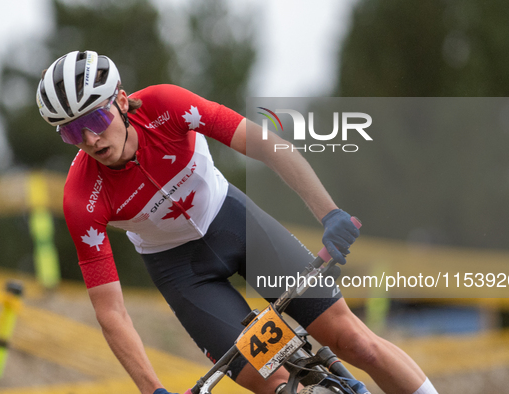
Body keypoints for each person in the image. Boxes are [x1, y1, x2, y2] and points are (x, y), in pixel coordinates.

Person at [36, 50, 438, 394]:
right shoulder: (81, 197)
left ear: (121, 101)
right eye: (71, 132)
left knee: (354, 341)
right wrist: (152, 388)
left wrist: (328, 214)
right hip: (183, 274)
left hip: (236, 224)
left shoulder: (167, 106)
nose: (89, 140)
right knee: (277, 384)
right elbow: (112, 312)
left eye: (93, 121)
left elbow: (269, 147)